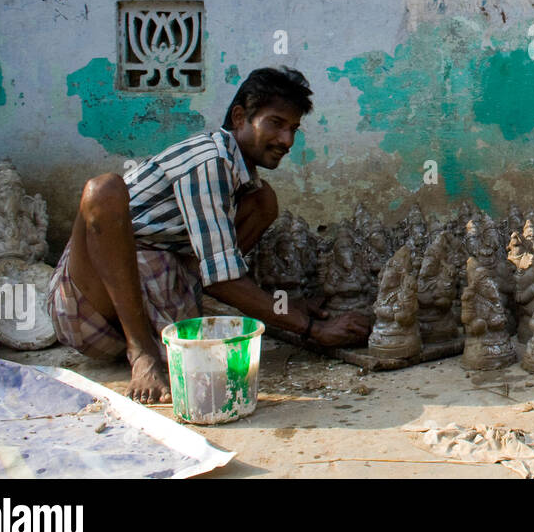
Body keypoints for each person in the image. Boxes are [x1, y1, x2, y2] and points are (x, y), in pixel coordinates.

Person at [46, 67, 371, 403]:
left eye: (293, 129)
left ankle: (160, 337)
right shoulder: (209, 160)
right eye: (276, 123)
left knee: (263, 202)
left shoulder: (244, 182)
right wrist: (311, 328)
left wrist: (287, 307)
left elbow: (216, 270)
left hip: (161, 307)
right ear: (240, 117)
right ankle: (141, 353)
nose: (286, 141)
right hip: (89, 311)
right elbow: (222, 281)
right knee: (104, 190)